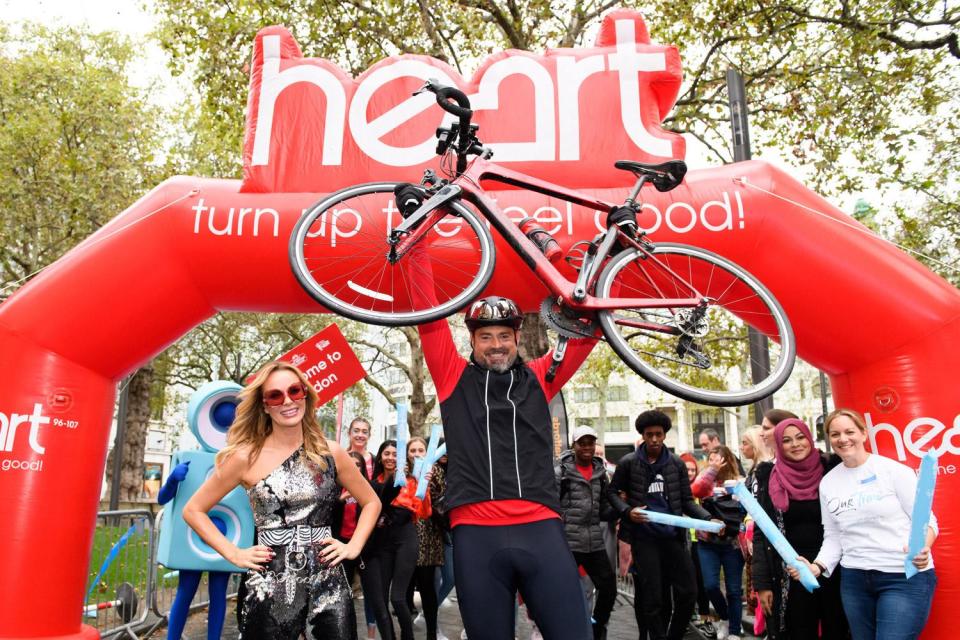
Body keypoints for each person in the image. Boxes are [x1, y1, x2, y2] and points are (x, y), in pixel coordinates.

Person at [415, 291, 598, 640]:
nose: (495, 344)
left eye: (503, 336)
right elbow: (428, 313)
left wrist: (613, 259)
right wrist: (415, 247)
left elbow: (591, 328)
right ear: (471, 341)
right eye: (485, 336)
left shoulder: (541, 376)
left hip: (541, 531)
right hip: (476, 535)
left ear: (516, 339)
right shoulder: (453, 377)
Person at [182, 361, 380, 640]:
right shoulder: (245, 457)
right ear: (264, 405)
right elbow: (193, 510)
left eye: (294, 391)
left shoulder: (331, 453)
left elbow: (371, 502)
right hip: (271, 579)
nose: (287, 400)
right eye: (276, 395)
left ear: (305, 396)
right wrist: (234, 553)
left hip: (327, 577)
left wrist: (353, 547)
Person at [790, 409, 938, 640]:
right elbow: (834, 535)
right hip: (855, 580)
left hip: (902, 575)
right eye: (835, 434)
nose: (843, 439)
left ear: (863, 433)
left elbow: (928, 521)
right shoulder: (828, 483)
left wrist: (922, 547)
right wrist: (816, 567)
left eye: (850, 432)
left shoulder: (894, 471)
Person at [611, 410, 717, 640]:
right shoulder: (628, 463)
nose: (655, 439)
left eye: (659, 434)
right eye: (649, 435)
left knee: (689, 592)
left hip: (673, 539)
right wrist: (628, 512)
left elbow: (687, 501)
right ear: (643, 435)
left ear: (665, 435)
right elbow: (612, 494)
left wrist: (708, 520)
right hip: (644, 540)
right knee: (653, 599)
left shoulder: (676, 464)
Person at [751, 418, 848, 640]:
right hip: (790, 574)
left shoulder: (832, 470)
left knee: (839, 629)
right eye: (786, 440)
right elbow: (761, 533)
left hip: (836, 568)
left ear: (810, 438)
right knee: (799, 632)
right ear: (778, 444)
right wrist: (763, 583)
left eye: (800, 437)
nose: (795, 444)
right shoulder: (769, 478)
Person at [556, 425, 627, 640]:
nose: (587, 447)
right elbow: (551, 504)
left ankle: (597, 628)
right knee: (563, 593)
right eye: (582, 443)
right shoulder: (561, 472)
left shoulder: (600, 473)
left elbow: (603, 510)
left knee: (608, 590)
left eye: (590, 442)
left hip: (594, 542)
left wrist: (620, 508)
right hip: (568, 543)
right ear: (574, 445)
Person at [157, 461, 231, 640]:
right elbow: (162, 499)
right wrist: (172, 480)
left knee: (219, 592)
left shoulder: (236, 461)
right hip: (193, 537)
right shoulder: (192, 462)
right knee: (186, 590)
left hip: (225, 537)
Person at [362, 439, 425, 640]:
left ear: (402, 457)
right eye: (386, 453)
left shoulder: (413, 481)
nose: (390, 457)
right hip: (382, 546)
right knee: (379, 602)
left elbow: (418, 512)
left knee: (398, 598)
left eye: (395, 453)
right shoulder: (373, 483)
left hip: (405, 541)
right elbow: (379, 501)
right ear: (380, 456)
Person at [689, 445, 747, 640]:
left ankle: (733, 631)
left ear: (727, 460)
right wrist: (711, 470)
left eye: (718, 459)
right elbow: (696, 491)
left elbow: (747, 508)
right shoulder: (706, 480)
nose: (714, 462)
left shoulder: (738, 481)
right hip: (707, 542)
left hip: (732, 544)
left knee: (733, 590)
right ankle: (725, 618)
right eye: (710, 459)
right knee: (710, 585)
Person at [679, 452, 716, 640]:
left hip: (700, 541)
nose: (690, 472)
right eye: (687, 469)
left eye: (693, 469)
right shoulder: (680, 488)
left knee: (702, 582)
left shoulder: (701, 489)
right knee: (688, 580)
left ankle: (705, 619)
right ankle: (688, 617)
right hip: (683, 541)